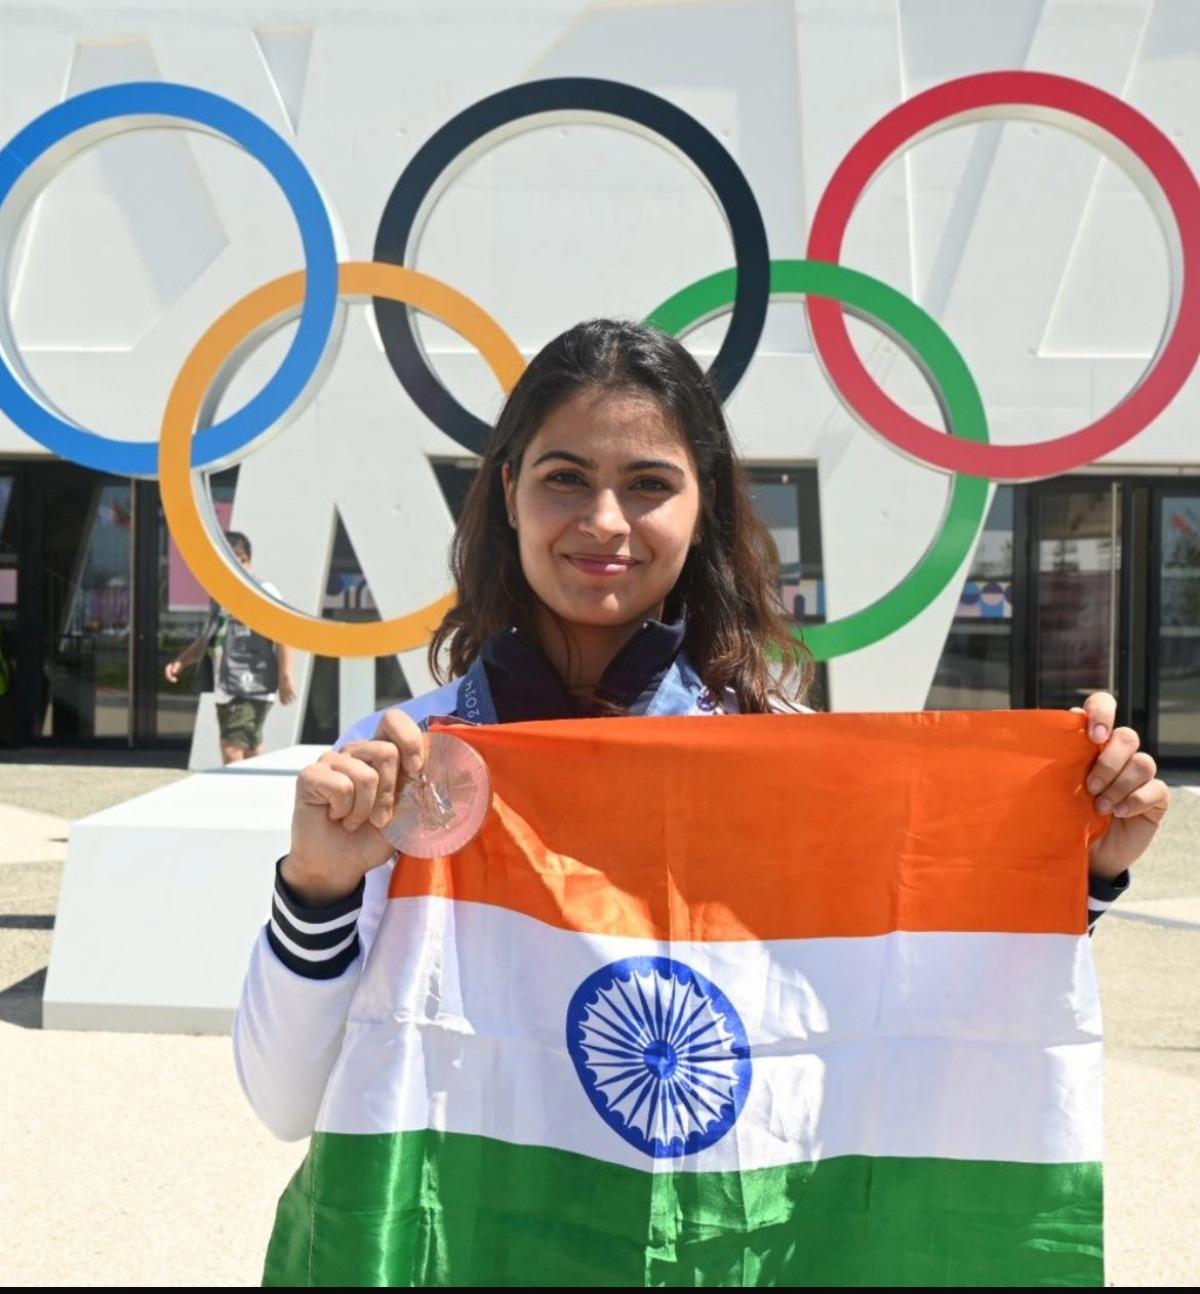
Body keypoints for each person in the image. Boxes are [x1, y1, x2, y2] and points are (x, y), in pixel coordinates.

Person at [233, 319, 1170, 1254]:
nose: (605, 521)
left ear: (704, 506)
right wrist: (317, 887)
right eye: (566, 477)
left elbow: (915, 1026)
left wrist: (1071, 872)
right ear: (510, 489)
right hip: (472, 1249)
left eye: (648, 485)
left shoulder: (789, 762)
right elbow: (284, 1100)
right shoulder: (401, 766)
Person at [165, 531, 296, 764]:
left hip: (250, 684)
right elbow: (210, 637)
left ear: (243, 559)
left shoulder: (263, 592)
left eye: (224, 562)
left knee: (232, 748)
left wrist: (285, 676)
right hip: (227, 684)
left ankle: (236, 795)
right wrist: (182, 660)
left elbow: (284, 633)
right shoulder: (221, 594)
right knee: (251, 747)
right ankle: (258, 794)